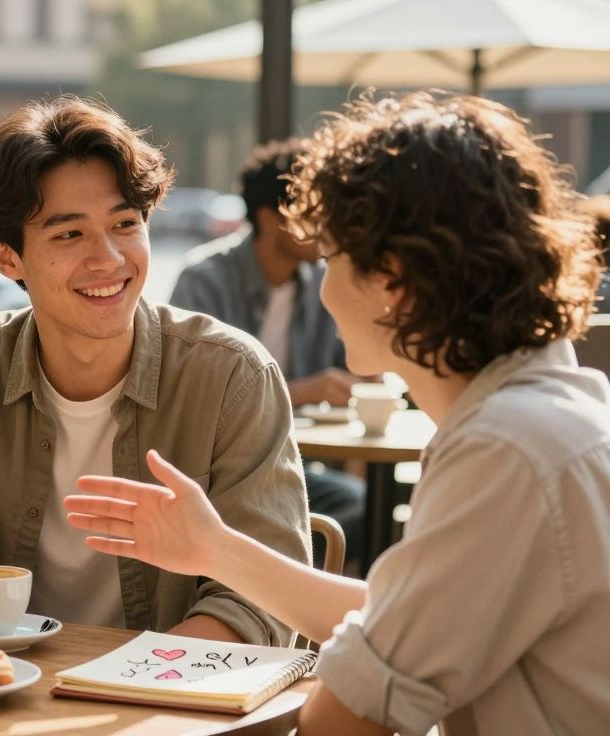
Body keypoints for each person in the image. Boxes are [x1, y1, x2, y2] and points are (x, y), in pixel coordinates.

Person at [65, 92, 609, 735]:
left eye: (332, 257)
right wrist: (213, 548)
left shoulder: (504, 451)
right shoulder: (552, 412)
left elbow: (345, 719)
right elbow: (402, 615)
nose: (322, 286)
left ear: (393, 280)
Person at [0, 96, 309, 643]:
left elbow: (264, 599)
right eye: (69, 234)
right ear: (7, 258)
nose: (110, 259)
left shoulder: (232, 377)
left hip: (167, 706)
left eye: (125, 223)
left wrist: (124, 685)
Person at [171, 139, 365, 564]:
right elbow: (196, 398)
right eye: (312, 214)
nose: (324, 226)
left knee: (362, 505)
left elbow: (344, 365)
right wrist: (306, 391)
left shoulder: (318, 282)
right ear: (270, 218)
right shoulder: (204, 280)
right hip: (217, 471)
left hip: (293, 464)